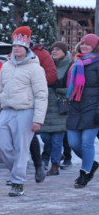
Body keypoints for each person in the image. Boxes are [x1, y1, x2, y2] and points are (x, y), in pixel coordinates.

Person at [0, 27, 48, 197]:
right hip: (6, 110)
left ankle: (18, 182)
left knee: (21, 148)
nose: (16, 49)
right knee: (1, 145)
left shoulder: (35, 69)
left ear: (26, 49)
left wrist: (38, 119)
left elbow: (42, 95)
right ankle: (17, 171)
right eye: (14, 46)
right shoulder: (6, 66)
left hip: (25, 111)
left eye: (20, 47)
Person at [64, 33, 99, 188]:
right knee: (73, 143)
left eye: (88, 45)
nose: (84, 46)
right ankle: (92, 164)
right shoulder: (75, 63)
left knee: (86, 143)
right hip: (75, 108)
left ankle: (84, 173)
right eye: (83, 44)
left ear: (95, 47)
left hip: (92, 108)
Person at [27, 36, 58, 183]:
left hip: (33, 100)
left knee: (32, 136)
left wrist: (34, 80)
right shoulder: (11, 56)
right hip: (14, 101)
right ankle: (15, 171)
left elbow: (52, 77)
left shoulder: (42, 54)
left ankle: (39, 164)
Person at [39, 41, 71, 176]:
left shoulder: (70, 66)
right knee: (45, 137)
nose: (54, 51)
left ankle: (55, 164)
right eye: (53, 49)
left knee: (57, 140)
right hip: (45, 106)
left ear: (64, 52)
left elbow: (72, 87)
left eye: (58, 49)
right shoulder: (46, 64)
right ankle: (53, 158)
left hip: (60, 107)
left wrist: (59, 88)